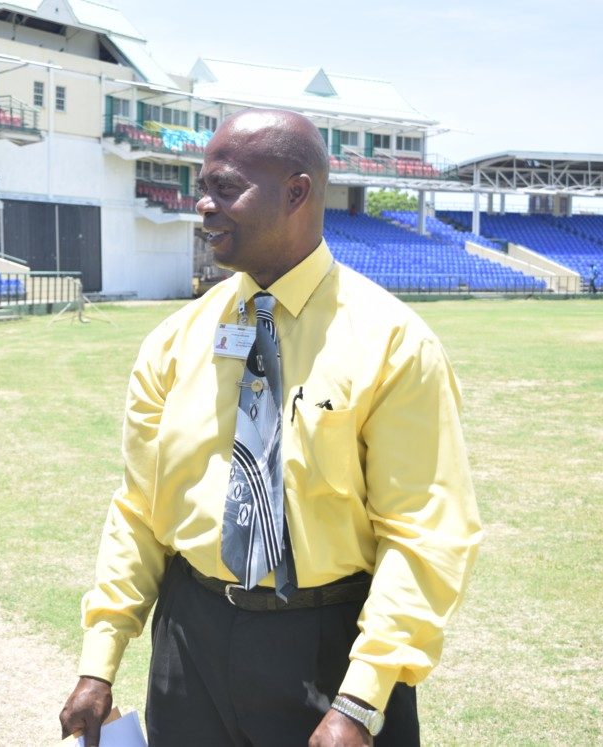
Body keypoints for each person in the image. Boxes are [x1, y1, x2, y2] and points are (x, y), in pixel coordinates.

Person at [59, 109, 481, 746]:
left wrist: (362, 701)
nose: (203, 206)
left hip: (327, 646)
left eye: (226, 188)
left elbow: (425, 533)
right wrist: (99, 660)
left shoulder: (393, 344)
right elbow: (140, 511)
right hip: (189, 641)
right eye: (202, 187)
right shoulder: (173, 342)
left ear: (296, 192)